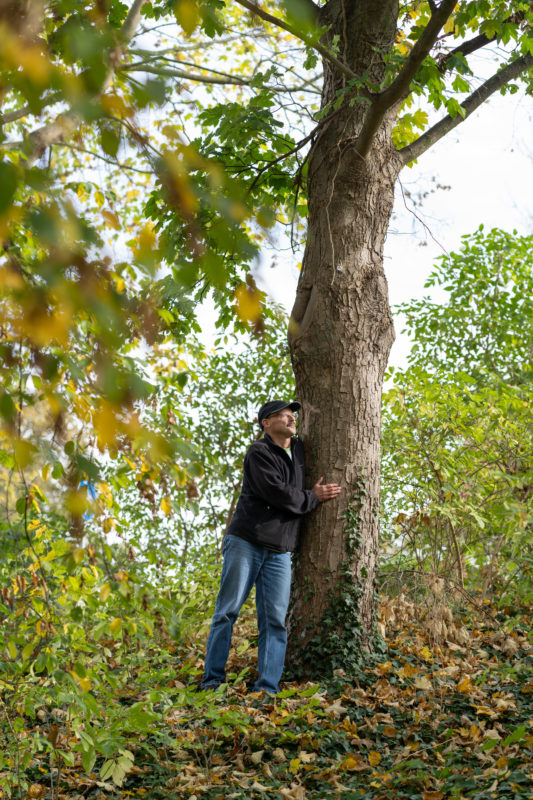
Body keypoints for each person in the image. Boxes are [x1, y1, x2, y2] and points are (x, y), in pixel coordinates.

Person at [201, 399, 341, 694]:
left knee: (275, 620)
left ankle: (266, 688)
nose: (290, 418)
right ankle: (212, 681)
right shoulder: (259, 452)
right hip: (247, 542)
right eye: (282, 415)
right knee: (227, 611)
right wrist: (312, 497)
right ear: (265, 422)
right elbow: (278, 495)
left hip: (280, 552)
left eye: (292, 415)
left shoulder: (300, 450)